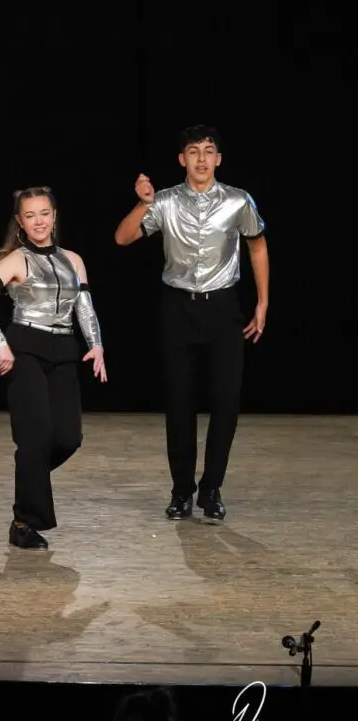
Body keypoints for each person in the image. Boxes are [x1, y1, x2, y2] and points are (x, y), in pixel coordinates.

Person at [114, 125, 268, 522]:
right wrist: (143, 203)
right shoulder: (164, 201)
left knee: (226, 401)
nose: (201, 159)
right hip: (178, 309)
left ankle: (211, 489)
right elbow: (123, 237)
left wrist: (263, 302)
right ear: (182, 159)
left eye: (209, 151)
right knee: (180, 403)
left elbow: (257, 244)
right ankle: (182, 491)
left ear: (218, 158)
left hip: (222, 309)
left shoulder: (238, 201)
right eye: (193, 151)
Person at [0, 187, 106, 550]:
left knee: (68, 438)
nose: (39, 221)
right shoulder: (17, 260)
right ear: (20, 222)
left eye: (44, 213)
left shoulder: (73, 259)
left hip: (63, 350)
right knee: (36, 436)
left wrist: (97, 345)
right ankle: (25, 522)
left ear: (55, 216)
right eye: (30, 215)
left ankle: (27, 477)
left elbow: (85, 307)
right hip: (24, 348)